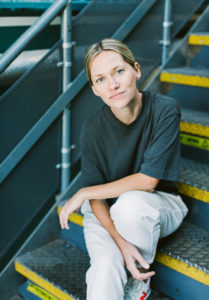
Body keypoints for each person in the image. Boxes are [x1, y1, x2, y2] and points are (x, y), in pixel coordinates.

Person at [59, 38, 188, 300]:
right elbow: (97, 200)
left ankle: (138, 282)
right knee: (105, 268)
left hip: (156, 205)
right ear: (95, 89)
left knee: (130, 205)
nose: (113, 85)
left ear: (136, 70)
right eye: (101, 79)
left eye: (119, 71)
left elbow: (148, 182)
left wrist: (84, 192)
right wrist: (120, 242)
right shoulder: (92, 128)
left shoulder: (164, 110)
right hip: (104, 211)